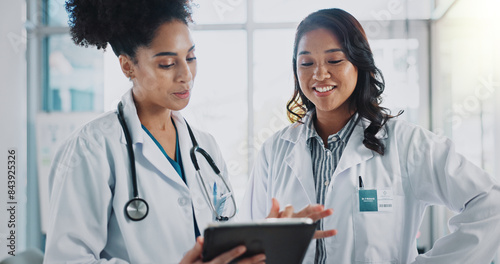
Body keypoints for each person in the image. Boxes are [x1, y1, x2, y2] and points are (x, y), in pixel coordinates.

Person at [240, 8, 500, 264]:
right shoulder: (275, 151)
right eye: (306, 63)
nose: (319, 74)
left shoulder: (406, 143)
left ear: (359, 63)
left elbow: (491, 204)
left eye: (334, 60)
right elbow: (247, 243)